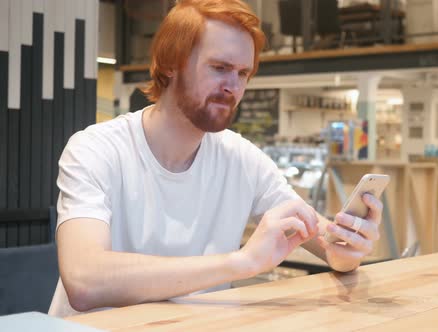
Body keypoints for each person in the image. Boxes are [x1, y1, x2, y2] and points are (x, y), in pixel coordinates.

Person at [49, 0, 383, 317]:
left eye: (243, 74)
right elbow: (84, 280)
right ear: (169, 64)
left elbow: (325, 244)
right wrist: (243, 262)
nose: (233, 87)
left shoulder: (242, 159)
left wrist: (346, 250)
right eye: (220, 68)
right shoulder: (95, 150)